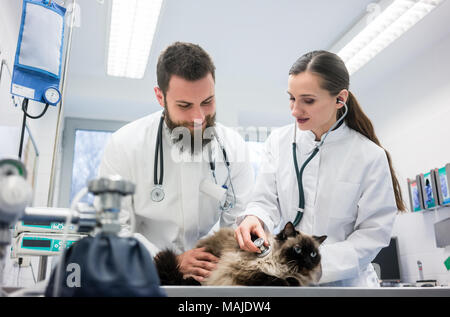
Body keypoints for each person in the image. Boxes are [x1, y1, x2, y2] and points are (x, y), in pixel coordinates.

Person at [234, 50, 406, 286]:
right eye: (292, 98)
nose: (295, 110)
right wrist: (255, 217)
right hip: (289, 282)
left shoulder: (369, 156)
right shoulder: (278, 142)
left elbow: (372, 235)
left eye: (308, 100)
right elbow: (265, 200)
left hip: (346, 285)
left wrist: (310, 265)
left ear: (340, 99)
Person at [98, 42, 254, 282]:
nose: (199, 117)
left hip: (209, 277)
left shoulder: (233, 148)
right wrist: (170, 262)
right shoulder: (125, 145)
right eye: (184, 106)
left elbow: (239, 223)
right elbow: (113, 230)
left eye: (207, 102)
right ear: (160, 97)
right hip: (144, 273)